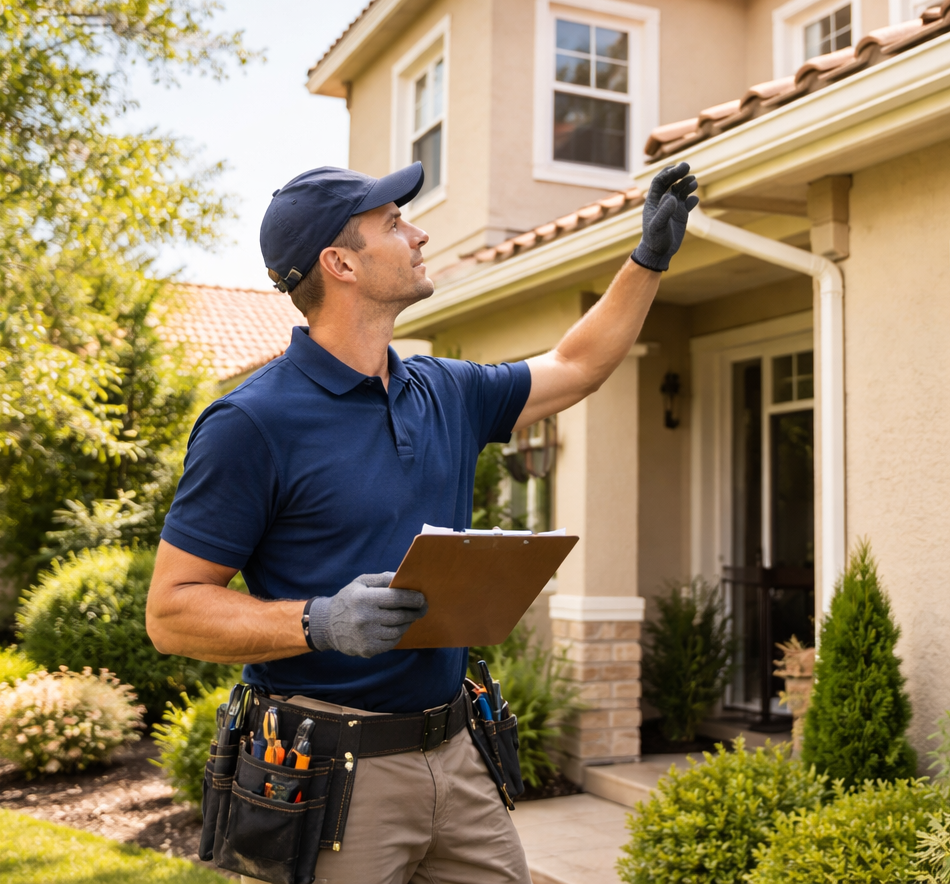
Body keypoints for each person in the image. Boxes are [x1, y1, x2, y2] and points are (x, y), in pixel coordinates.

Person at [146, 159, 699, 884]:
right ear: (339, 262)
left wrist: (647, 260)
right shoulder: (252, 422)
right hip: (332, 778)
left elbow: (576, 365)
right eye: (394, 223)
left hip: (457, 754)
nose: (419, 232)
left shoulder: (445, 390)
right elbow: (172, 613)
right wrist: (317, 622)